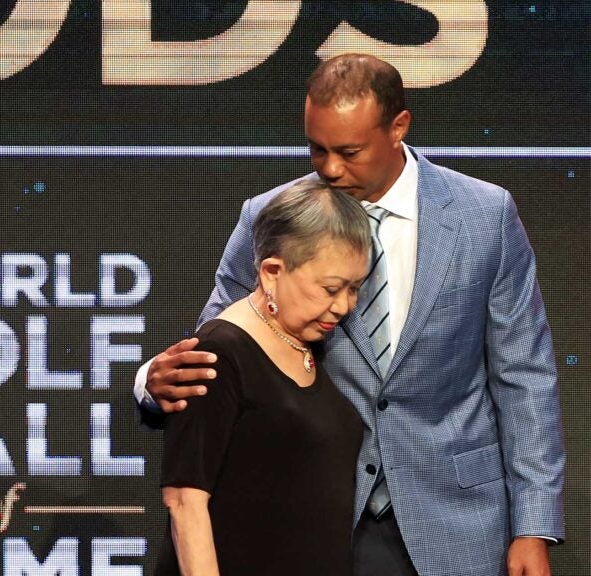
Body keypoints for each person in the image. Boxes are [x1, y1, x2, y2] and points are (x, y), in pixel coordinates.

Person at [137, 54, 565, 576]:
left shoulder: (485, 217)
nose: (330, 169)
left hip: (457, 519)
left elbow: (525, 377)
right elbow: (221, 343)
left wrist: (532, 525)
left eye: (350, 151)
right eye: (317, 149)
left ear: (398, 127)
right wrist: (151, 382)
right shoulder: (273, 217)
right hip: (313, 513)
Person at [156, 179, 370, 576]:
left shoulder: (311, 344)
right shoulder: (219, 353)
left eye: (354, 288)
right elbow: (185, 501)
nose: (343, 306)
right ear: (272, 271)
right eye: (330, 288)